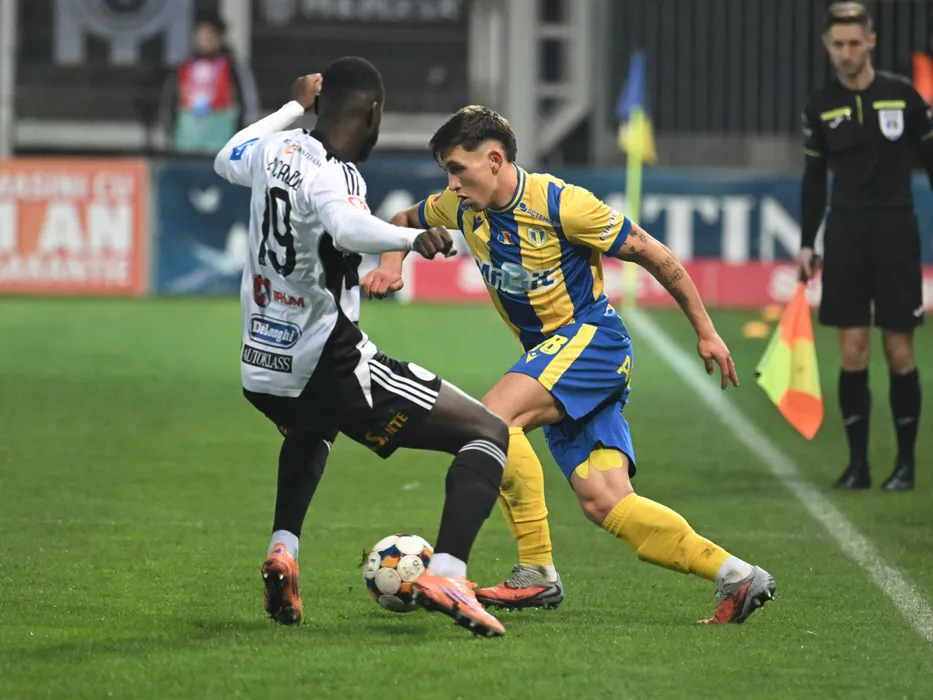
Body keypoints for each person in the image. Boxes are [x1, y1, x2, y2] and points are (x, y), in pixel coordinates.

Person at [362, 105, 776, 624]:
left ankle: (536, 570)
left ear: (494, 160)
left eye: (458, 170)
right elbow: (403, 221)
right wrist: (392, 266)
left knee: (491, 421)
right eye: (447, 172)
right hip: (555, 362)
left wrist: (707, 331)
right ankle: (737, 576)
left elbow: (653, 253)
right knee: (606, 502)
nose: (451, 184)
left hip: (591, 343)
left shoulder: (562, 205)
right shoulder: (461, 206)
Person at [213, 58, 511, 638]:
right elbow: (347, 228)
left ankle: (283, 551)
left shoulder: (276, 149)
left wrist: (292, 107)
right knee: (487, 432)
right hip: (327, 363)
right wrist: (412, 238)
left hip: (261, 368)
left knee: (311, 429)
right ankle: (449, 574)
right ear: (372, 113)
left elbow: (227, 157)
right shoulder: (337, 173)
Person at [799, 2, 933, 491]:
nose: (847, 52)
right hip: (846, 235)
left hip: (896, 233)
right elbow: (814, 180)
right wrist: (807, 242)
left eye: (855, 43)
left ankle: (906, 465)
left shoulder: (904, 96)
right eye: (838, 44)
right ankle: (858, 466)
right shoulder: (820, 106)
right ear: (827, 46)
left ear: (871, 42)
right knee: (852, 352)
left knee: (899, 351)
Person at [161, 11, 260, 154]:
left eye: (209, 35)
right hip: (185, 146)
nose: (204, 40)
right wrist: (171, 134)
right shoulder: (183, 68)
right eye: (200, 35)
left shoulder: (233, 68)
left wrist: (241, 139)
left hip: (222, 147)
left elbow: (248, 103)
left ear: (220, 37)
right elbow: (169, 102)